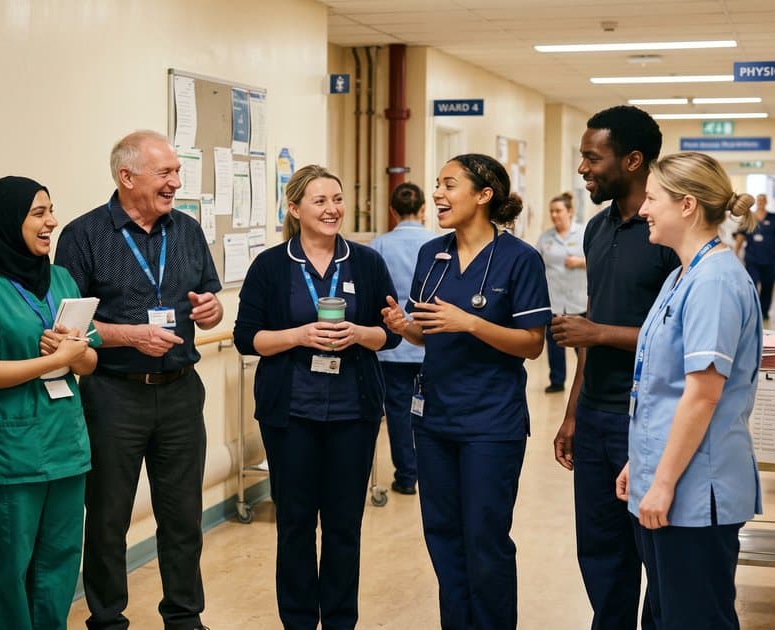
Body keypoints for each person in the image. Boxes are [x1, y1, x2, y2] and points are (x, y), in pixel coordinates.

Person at [55, 130, 223, 630]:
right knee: (108, 518)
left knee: (183, 516)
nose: (176, 181)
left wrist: (211, 309)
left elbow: (208, 302)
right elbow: (67, 325)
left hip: (179, 392)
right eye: (165, 172)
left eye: (176, 171)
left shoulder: (187, 231)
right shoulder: (83, 236)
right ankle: (107, 619)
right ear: (127, 177)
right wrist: (129, 336)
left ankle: (184, 616)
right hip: (113, 395)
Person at [382, 153, 551, 629]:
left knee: (485, 538)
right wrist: (405, 327)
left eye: (449, 185)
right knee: (443, 535)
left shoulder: (520, 259)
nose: (437, 193)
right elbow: (429, 334)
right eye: (437, 183)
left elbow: (533, 345)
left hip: (490, 423)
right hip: (435, 418)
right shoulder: (430, 254)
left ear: (483, 195)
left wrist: (471, 323)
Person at [234, 164, 400, 630]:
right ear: (294, 209)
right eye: (320, 201)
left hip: (354, 411)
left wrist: (361, 334)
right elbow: (249, 338)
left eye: (337, 199)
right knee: (295, 524)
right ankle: (300, 621)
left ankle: (342, 620)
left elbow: (392, 334)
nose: (332, 209)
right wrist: (299, 335)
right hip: (290, 414)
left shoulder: (366, 263)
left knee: (345, 526)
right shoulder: (270, 265)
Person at [617, 151, 763, 628]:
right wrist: (640, 463)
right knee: (664, 615)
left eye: (652, 198)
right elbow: (661, 386)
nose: (642, 209)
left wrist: (660, 482)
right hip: (668, 478)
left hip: (695, 490)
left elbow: (702, 394)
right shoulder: (682, 274)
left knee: (695, 618)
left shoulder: (715, 282)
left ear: (686, 205)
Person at [550, 105, 679, 630]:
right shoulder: (598, 231)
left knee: (657, 555)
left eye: (591, 157)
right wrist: (574, 412)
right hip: (598, 415)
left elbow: (680, 338)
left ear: (632, 160)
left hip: (652, 418)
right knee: (601, 555)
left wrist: (597, 332)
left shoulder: (670, 236)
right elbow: (594, 322)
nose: (582, 168)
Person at [0, 176, 100, 629]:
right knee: (6, 571)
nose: (51, 222)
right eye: (38, 213)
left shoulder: (61, 278)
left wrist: (75, 355)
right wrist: (53, 360)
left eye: (50, 211)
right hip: (10, 453)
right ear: (6, 221)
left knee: (58, 565)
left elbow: (89, 361)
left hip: (65, 445)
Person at [369, 182, 437, 495]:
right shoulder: (439, 242)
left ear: (392, 211)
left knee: (397, 411)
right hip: (431, 342)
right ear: (423, 209)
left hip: (394, 347)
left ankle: (406, 476)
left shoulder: (379, 246)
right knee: (431, 409)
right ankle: (433, 470)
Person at [535, 192, 586, 394]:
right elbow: (535, 262)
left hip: (578, 299)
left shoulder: (583, 233)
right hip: (554, 299)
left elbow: (599, 263)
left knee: (581, 343)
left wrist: (581, 262)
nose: (555, 215)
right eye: (552, 211)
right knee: (555, 342)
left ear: (570, 212)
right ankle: (557, 381)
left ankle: (587, 381)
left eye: (559, 211)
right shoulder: (546, 237)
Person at [734, 194, 775, 321]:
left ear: (766, 202)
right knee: (752, 284)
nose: (761, 202)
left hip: (769, 258)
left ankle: (764, 311)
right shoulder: (748, 218)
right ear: (756, 202)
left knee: (768, 285)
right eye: (759, 200)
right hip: (752, 258)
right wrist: (735, 252)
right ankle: (753, 310)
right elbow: (741, 236)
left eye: (763, 200)